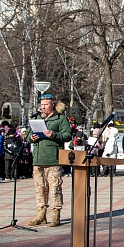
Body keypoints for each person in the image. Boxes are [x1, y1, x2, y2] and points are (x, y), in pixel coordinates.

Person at [26, 94, 72, 227]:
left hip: (53, 160)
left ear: (52, 104)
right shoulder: (36, 118)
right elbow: (28, 134)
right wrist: (31, 137)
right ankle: (41, 214)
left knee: (54, 188)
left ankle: (56, 214)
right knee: (40, 188)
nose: (43, 107)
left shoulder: (60, 118)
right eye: (41, 105)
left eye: (45, 105)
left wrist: (54, 134)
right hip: (38, 159)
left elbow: (67, 135)